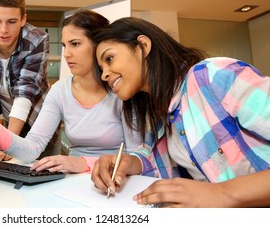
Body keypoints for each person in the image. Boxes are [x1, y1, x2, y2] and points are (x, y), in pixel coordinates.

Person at [90, 17, 270, 207]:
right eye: (101, 69)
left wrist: (222, 193)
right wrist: (126, 162)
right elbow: (153, 160)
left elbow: (214, 194)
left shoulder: (211, 74)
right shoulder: (159, 112)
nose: (104, 75)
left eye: (109, 59)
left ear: (143, 45)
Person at [0, 10, 141, 173]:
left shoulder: (122, 89)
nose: (66, 54)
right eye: (64, 46)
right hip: (73, 178)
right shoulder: (60, 91)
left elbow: (137, 156)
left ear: (99, 45)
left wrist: (84, 163)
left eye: (75, 44)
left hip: (116, 177)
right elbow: (33, 146)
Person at [0, 0, 59, 160]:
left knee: (42, 175)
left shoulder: (37, 40)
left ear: (23, 19)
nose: (4, 30)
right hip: (9, 123)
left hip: (39, 124)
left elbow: (25, 91)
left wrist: (7, 143)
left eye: (12, 21)